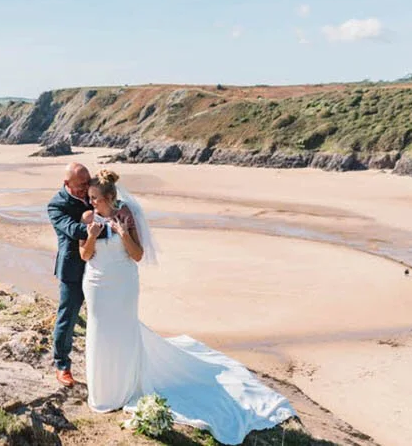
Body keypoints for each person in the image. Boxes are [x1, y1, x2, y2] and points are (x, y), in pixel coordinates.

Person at [79, 169, 295, 445]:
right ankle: (102, 391)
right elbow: (84, 255)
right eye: (90, 198)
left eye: (95, 198)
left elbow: (137, 256)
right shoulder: (87, 218)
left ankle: (124, 386)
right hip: (97, 283)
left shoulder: (126, 216)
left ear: (110, 197)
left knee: (123, 331)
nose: (91, 203)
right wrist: (93, 236)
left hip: (123, 283)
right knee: (98, 332)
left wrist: (123, 234)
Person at [47, 161, 134, 387]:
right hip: (74, 268)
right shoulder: (56, 205)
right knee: (68, 316)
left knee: (107, 318)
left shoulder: (93, 190)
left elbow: (111, 201)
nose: (86, 189)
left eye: (88, 183)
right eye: (81, 185)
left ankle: (112, 366)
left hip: (106, 267)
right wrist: (113, 227)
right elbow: (73, 230)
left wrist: (120, 218)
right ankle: (62, 365)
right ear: (67, 183)